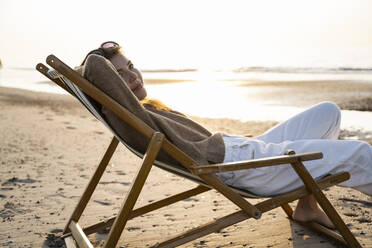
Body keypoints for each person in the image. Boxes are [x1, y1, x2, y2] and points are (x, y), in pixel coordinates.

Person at [80, 41, 372, 229]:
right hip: (241, 166)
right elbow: (95, 67)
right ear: (108, 86)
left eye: (131, 66)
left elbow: (104, 73)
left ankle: (307, 207)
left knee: (328, 112)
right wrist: (83, 68)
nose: (133, 77)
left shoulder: (139, 111)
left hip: (244, 151)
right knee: (360, 154)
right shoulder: (126, 113)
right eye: (120, 75)